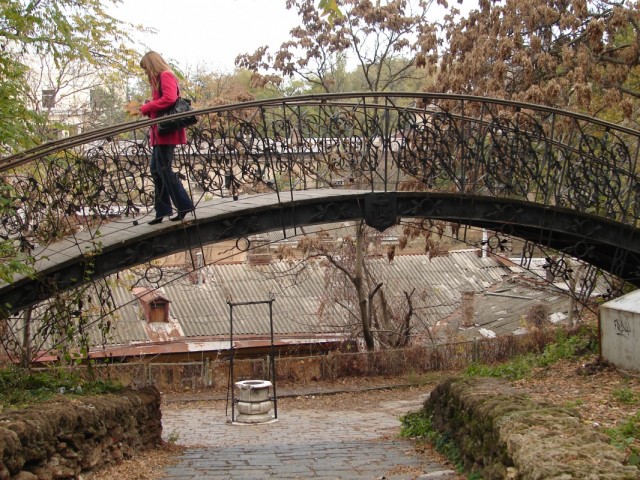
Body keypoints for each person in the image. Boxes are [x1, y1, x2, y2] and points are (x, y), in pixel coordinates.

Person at [139, 51, 194, 224]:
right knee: (157, 170)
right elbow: (164, 101)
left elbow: (170, 99)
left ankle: (183, 206)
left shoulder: (165, 75)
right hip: (161, 133)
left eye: (146, 68)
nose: (146, 72)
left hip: (167, 132)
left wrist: (148, 107)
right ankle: (162, 211)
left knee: (163, 170)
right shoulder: (160, 78)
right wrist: (150, 106)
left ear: (152, 65)